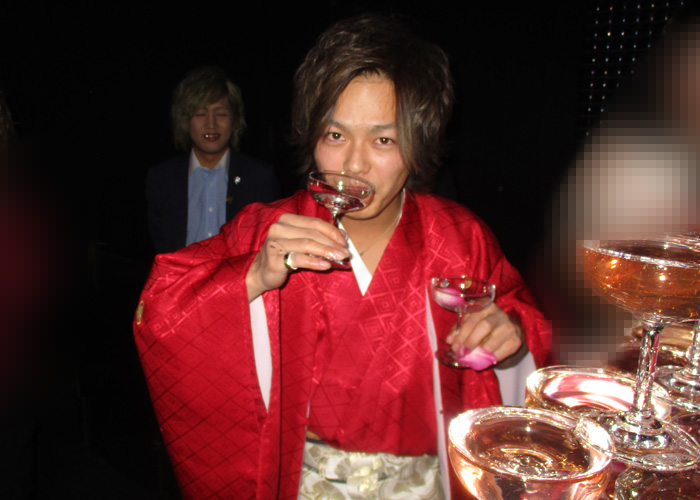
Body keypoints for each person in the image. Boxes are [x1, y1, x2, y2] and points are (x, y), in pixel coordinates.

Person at [134, 14, 552, 500]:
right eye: (335, 136)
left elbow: (528, 331)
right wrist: (250, 277)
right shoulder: (267, 229)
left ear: (418, 144)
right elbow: (160, 311)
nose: (354, 164)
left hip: (426, 484)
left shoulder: (460, 236)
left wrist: (510, 341)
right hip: (305, 483)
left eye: (383, 139)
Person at [146, 66, 280, 255]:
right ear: (185, 120)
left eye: (221, 114)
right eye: (201, 114)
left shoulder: (259, 178)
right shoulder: (162, 179)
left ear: (234, 120)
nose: (211, 124)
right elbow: (161, 247)